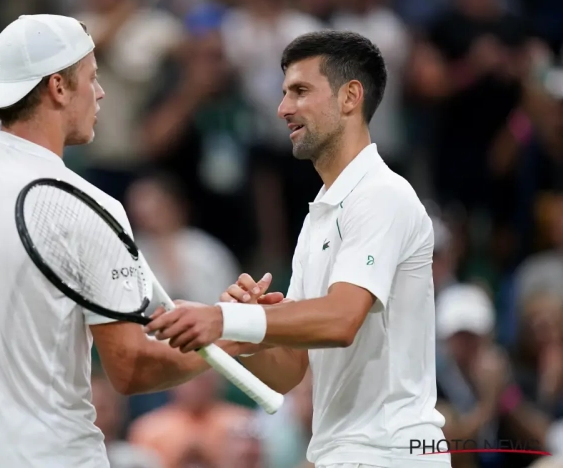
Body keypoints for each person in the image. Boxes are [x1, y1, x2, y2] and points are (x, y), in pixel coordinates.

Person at [0, 14, 251, 468]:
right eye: (92, 77)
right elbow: (130, 368)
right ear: (58, 87)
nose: (101, 92)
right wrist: (236, 335)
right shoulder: (92, 207)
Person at [145, 30, 451, 468]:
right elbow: (291, 372)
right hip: (341, 452)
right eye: (284, 92)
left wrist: (228, 316)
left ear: (350, 97)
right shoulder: (319, 216)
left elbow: (342, 319)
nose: (283, 108)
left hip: (390, 453)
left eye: (300, 91)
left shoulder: (382, 194)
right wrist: (251, 333)